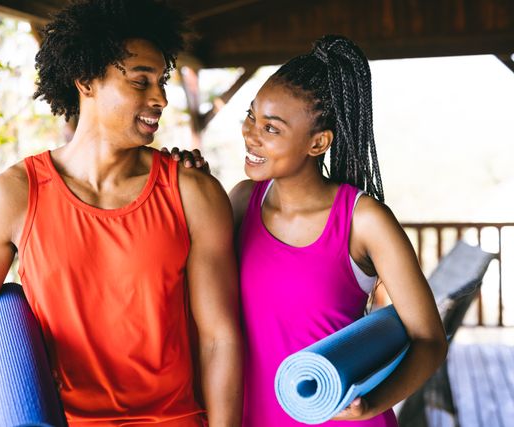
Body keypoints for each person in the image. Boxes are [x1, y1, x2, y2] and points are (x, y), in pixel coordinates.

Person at [0, 1, 243, 426]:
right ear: (85, 81)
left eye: (161, 82)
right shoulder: (12, 196)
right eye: (141, 81)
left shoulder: (193, 192)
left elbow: (219, 338)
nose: (160, 98)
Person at [171, 35, 448, 426]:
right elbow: (193, 283)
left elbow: (429, 342)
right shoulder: (241, 201)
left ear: (318, 143)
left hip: (341, 418)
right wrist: (187, 187)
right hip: (251, 415)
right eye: (251, 116)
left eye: (272, 128)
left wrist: (370, 405)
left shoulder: (363, 220)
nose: (251, 134)